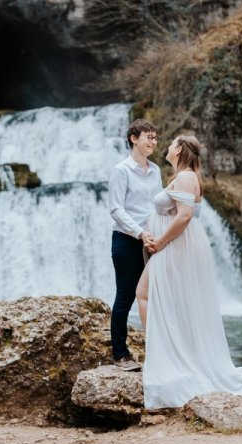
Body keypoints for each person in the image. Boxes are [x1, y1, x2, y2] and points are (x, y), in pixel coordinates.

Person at [137, 135, 242, 408]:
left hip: (174, 246)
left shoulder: (184, 178)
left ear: (179, 149)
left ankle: (161, 355)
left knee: (144, 294)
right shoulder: (185, 176)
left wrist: (160, 241)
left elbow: (184, 216)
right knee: (163, 299)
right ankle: (168, 353)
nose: (166, 147)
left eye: (170, 144)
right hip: (180, 246)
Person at [108, 119, 162, 371]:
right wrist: (140, 233)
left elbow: (158, 206)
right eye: (148, 136)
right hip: (127, 241)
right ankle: (120, 354)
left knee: (157, 296)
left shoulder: (156, 170)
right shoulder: (122, 170)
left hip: (152, 241)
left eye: (155, 137)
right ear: (134, 138)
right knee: (126, 296)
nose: (153, 141)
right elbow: (116, 209)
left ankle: (159, 351)